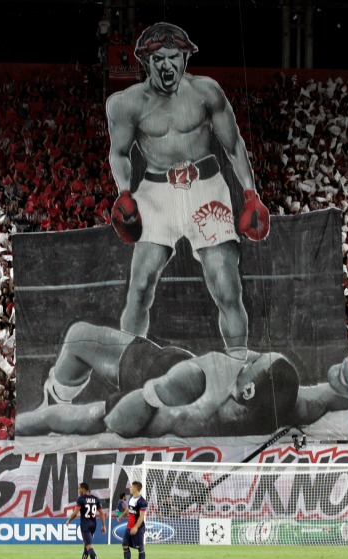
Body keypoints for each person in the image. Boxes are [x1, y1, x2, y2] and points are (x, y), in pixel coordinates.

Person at [105, 22, 270, 357]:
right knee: (139, 287)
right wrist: (124, 193)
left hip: (205, 189)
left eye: (174, 57)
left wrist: (251, 195)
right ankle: (131, 366)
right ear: (145, 62)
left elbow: (235, 146)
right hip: (157, 192)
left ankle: (238, 364)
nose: (167, 65)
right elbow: (119, 153)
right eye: (159, 59)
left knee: (226, 286)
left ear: (185, 58)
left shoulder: (207, 92)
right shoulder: (126, 104)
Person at [26, 321, 347, 438]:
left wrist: (155, 391)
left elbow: (116, 422)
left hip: (157, 382)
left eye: (252, 361)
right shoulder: (290, 405)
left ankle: (55, 395)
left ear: (247, 389)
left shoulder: (193, 412)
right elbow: (333, 393)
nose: (246, 355)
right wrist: (346, 378)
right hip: (180, 375)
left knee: (79, 336)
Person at [66, 482, 106, 559]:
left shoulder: (81, 499)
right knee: (86, 545)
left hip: (85, 525)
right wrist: (104, 526)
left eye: (79, 488)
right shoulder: (96, 499)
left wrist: (69, 520)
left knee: (89, 547)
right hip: (93, 525)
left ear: (84, 489)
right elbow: (101, 513)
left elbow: (75, 513)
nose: (78, 490)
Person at [119, 481, 147, 559]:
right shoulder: (131, 498)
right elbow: (128, 509)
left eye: (131, 487)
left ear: (135, 488)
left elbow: (141, 516)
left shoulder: (142, 502)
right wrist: (122, 515)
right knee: (124, 545)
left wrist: (136, 527)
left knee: (140, 548)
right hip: (129, 526)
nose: (130, 488)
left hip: (138, 528)